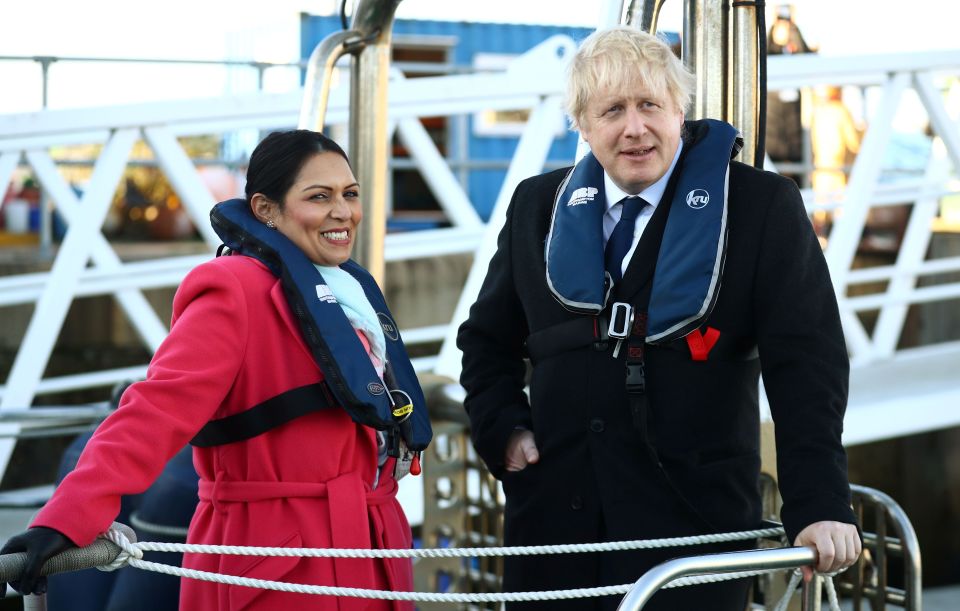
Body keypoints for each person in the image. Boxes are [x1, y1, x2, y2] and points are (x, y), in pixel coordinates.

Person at [457, 27, 861, 611]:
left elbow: (808, 366)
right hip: (553, 533)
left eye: (650, 105)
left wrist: (820, 503)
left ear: (680, 110)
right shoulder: (535, 207)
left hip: (691, 533)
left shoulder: (759, 206)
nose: (635, 128)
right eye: (612, 110)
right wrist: (505, 431)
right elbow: (486, 341)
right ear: (582, 125)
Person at [1, 130, 432, 610]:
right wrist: (65, 520)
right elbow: (153, 410)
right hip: (279, 566)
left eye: (350, 194)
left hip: (373, 555)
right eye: (319, 197)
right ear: (265, 209)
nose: (343, 212)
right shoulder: (234, 291)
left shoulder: (347, 292)